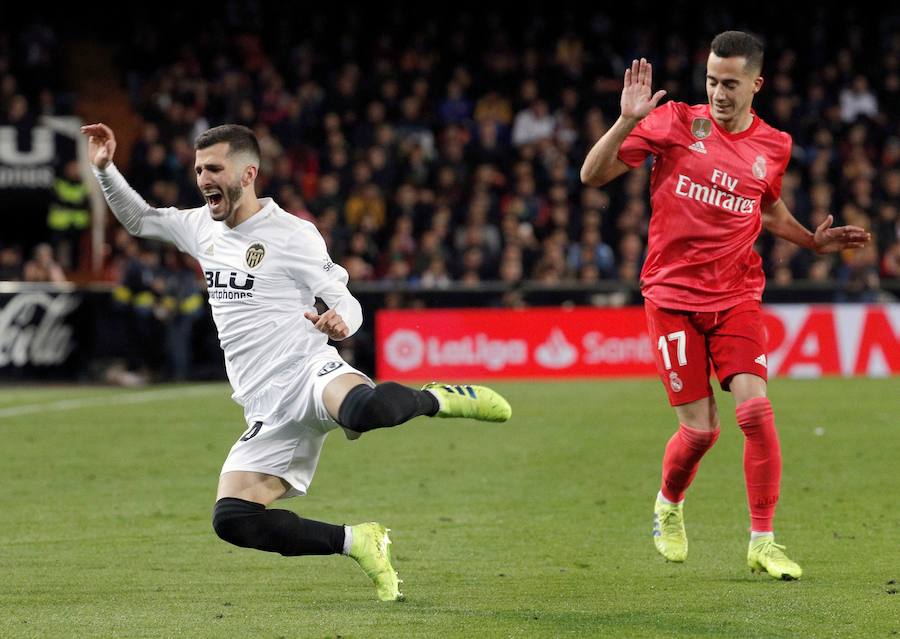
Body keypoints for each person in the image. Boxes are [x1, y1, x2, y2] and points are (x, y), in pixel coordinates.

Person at [82, 122, 512, 601]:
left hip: (308, 371)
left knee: (366, 411)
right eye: (199, 168)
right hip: (264, 404)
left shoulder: (291, 234)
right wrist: (104, 169)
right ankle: (358, 541)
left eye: (214, 168)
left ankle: (435, 398)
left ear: (248, 174)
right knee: (234, 520)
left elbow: (345, 299)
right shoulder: (200, 227)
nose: (203, 178)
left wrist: (341, 323)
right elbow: (141, 220)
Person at [580, 31, 870, 580]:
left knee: (756, 412)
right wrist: (625, 120)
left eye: (730, 83)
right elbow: (591, 175)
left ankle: (763, 540)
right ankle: (668, 503)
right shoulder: (674, 124)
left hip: (736, 295)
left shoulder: (774, 145)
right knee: (701, 432)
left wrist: (811, 240)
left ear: (755, 85)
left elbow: (766, 205)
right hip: (670, 299)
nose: (718, 92)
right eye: (712, 80)